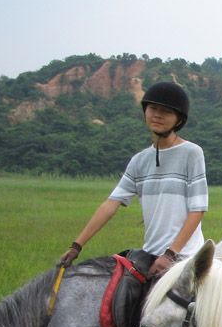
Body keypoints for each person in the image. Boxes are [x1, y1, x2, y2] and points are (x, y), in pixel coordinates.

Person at [58, 81, 208, 277]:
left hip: (185, 256)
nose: (157, 115)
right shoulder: (139, 161)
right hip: (150, 254)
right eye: (153, 108)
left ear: (179, 119)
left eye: (166, 111)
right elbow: (110, 205)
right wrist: (76, 246)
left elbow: (197, 209)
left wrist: (171, 254)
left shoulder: (191, 153)